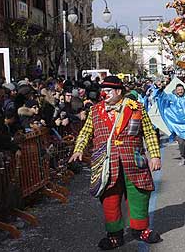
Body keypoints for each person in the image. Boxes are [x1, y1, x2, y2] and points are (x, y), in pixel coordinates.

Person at [69, 76, 162, 250]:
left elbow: (149, 133)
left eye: (108, 91)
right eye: (103, 91)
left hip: (134, 162)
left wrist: (155, 156)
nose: (104, 94)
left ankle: (140, 229)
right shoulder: (95, 111)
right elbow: (85, 132)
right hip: (106, 164)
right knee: (109, 199)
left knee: (139, 196)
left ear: (118, 92)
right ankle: (114, 234)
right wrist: (78, 149)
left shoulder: (137, 108)